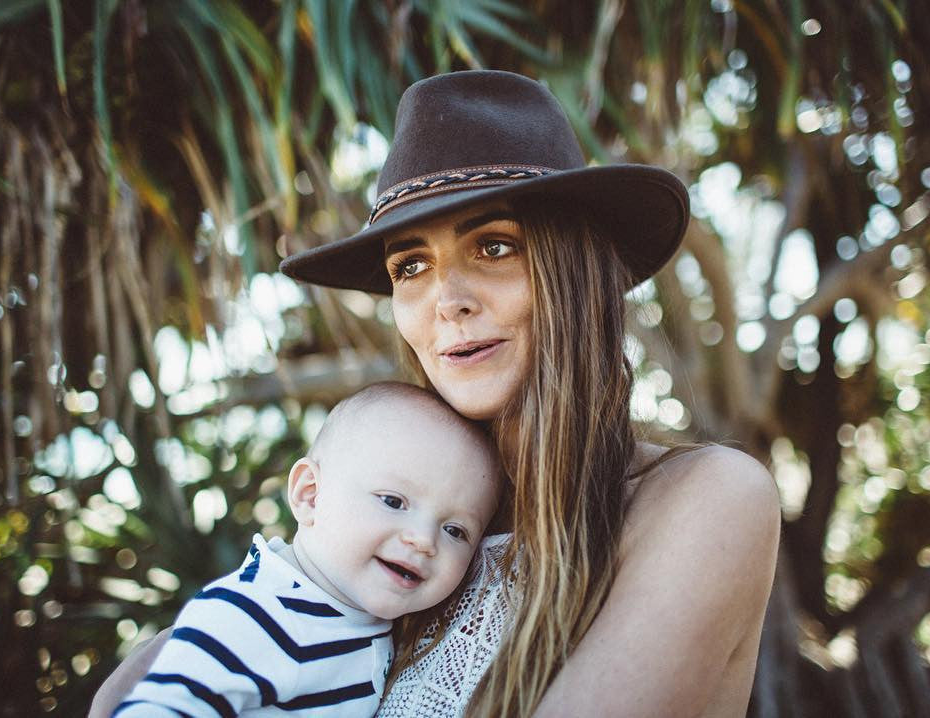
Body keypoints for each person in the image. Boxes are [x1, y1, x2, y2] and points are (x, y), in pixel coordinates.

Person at [92, 70, 781, 718]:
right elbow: (125, 697)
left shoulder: (706, 498)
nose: (446, 301)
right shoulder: (395, 530)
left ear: (579, 272)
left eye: (495, 247)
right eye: (411, 266)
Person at [111, 383, 502, 716]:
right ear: (310, 495)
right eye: (393, 502)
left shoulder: (358, 620)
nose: (424, 539)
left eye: (455, 530)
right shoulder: (255, 612)